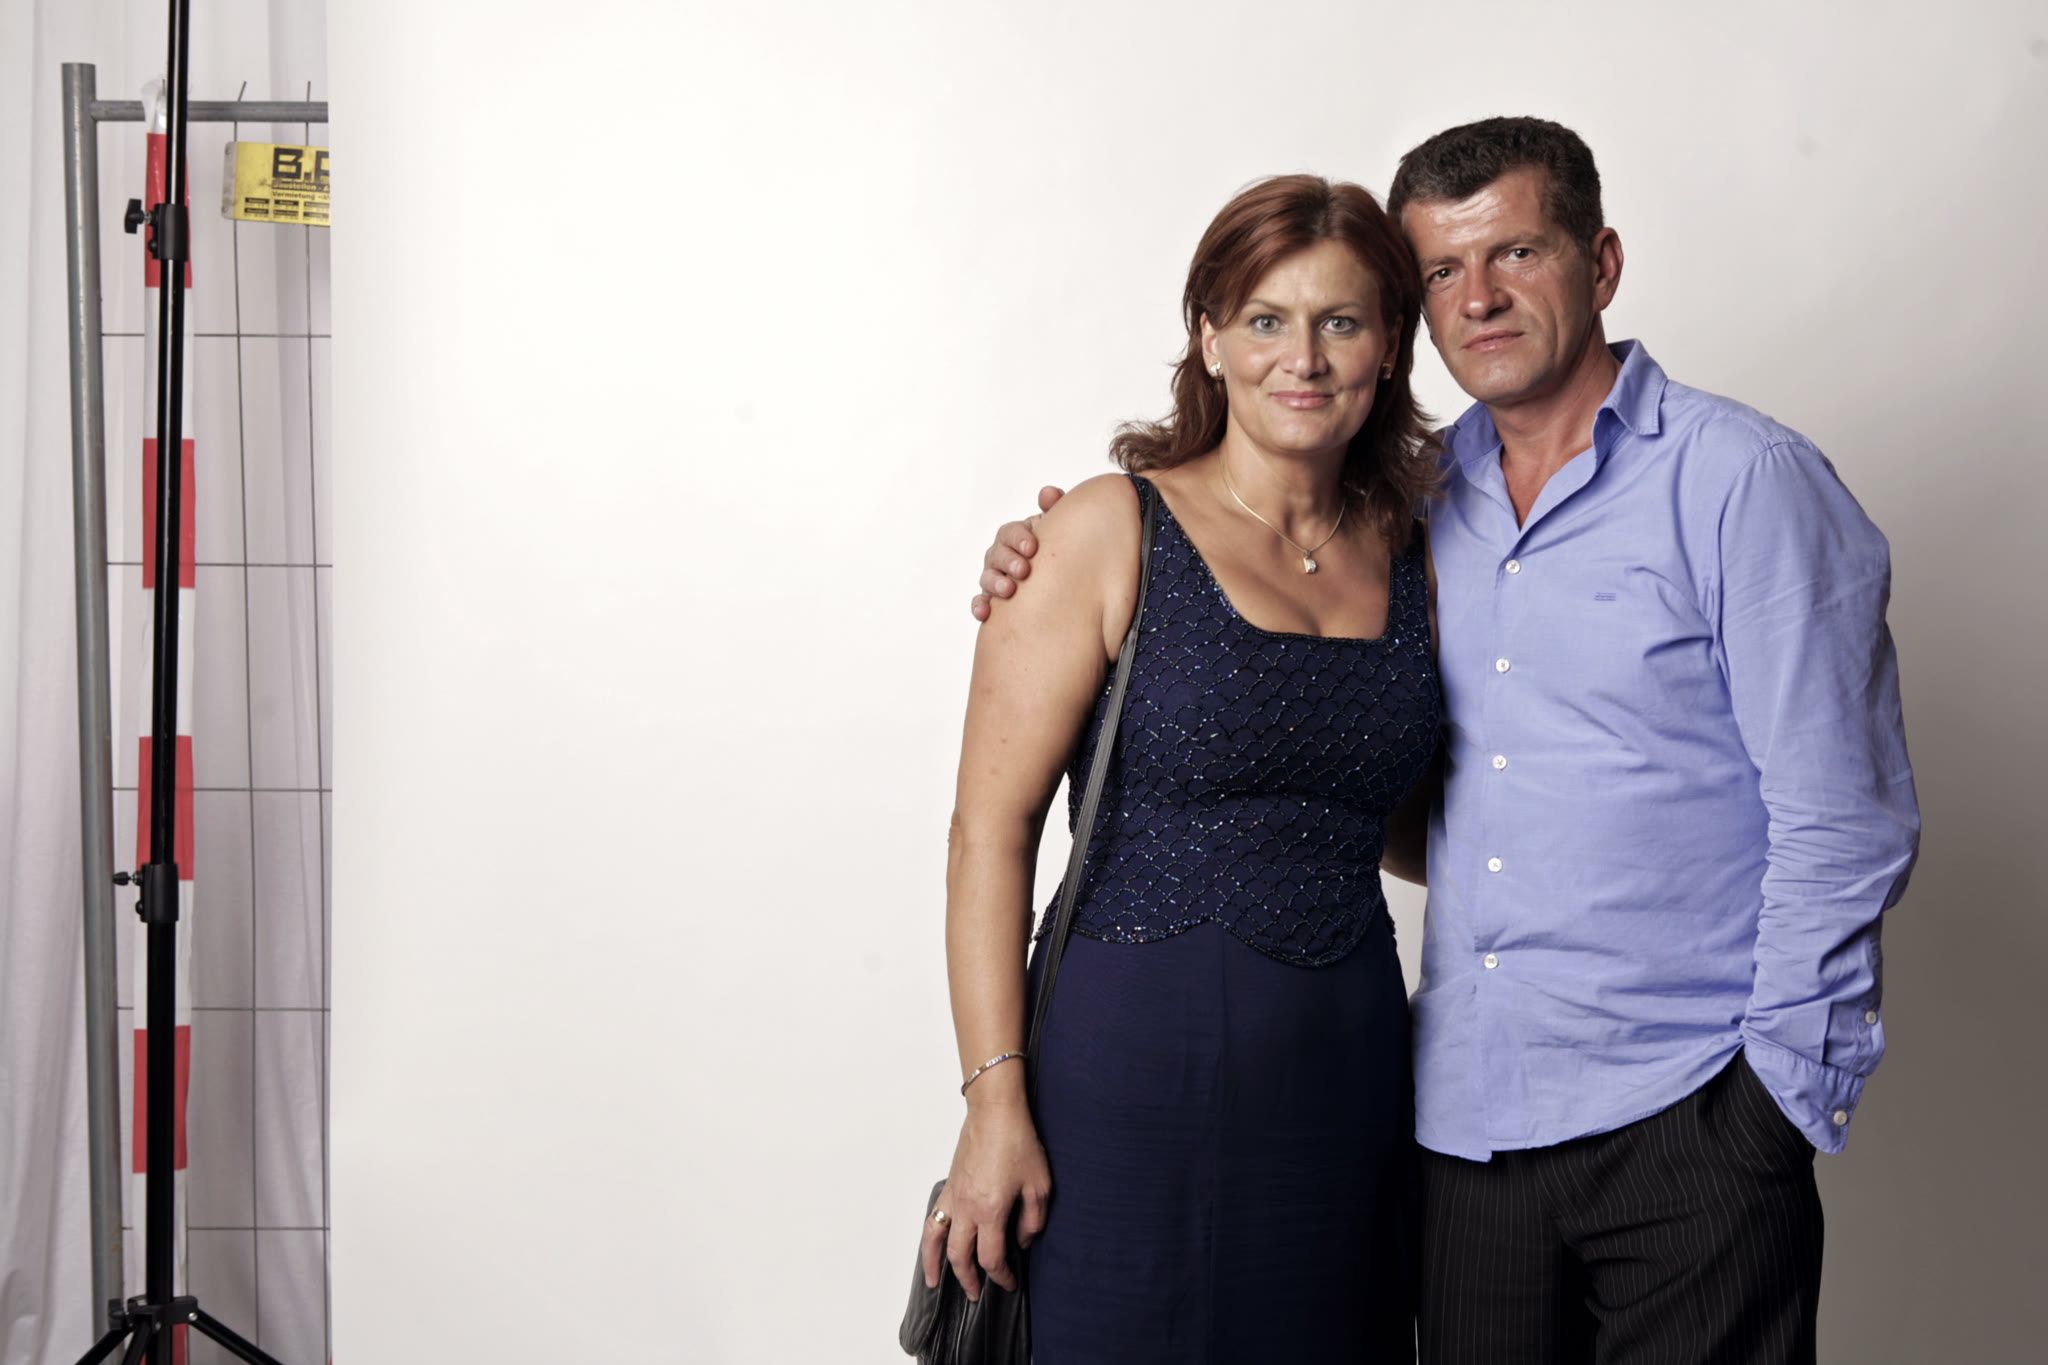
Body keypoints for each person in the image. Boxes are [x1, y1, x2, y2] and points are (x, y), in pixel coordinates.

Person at [972, 118, 1919, 1365]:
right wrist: (1053, 555)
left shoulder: (1729, 483)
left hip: (1675, 1108)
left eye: (1515, 252)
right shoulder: (1421, 508)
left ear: (1600, 263)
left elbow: (1840, 819)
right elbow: (1343, 780)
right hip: (1450, 1132)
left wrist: (1773, 1106)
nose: (1478, 298)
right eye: (1440, 271)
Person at [921, 174, 1441, 1364]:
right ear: (1208, 340)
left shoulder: (1418, 553)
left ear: (1386, 347)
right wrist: (992, 1103)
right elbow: (986, 833)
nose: (1301, 357)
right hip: (1124, 1079)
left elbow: (1408, 822)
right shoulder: (1106, 529)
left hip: (1347, 1080)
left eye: (1339, 321)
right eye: (1264, 320)